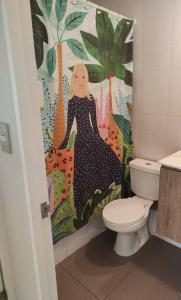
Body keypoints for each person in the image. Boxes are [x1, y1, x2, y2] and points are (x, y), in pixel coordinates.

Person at [60, 63, 121, 227]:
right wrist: (63, 144)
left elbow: (94, 123)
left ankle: (102, 196)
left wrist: (99, 140)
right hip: (81, 140)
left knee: (110, 162)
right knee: (83, 174)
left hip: (92, 137)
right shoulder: (72, 100)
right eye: (77, 76)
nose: (80, 80)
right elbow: (69, 124)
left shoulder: (90, 98)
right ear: (74, 78)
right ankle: (82, 211)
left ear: (86, 78)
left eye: (83, 77)